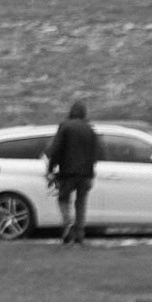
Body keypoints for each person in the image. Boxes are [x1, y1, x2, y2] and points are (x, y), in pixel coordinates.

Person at [45, 99, 98, 245]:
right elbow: (94, 153)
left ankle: (68, 223)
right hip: (86, 174)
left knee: (63, 199)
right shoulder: (90, 129)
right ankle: (80, 233)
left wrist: (50, 168)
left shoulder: (65, 126)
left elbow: (56, 149)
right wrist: (91, 173)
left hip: (68, 172)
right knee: (81, 203)